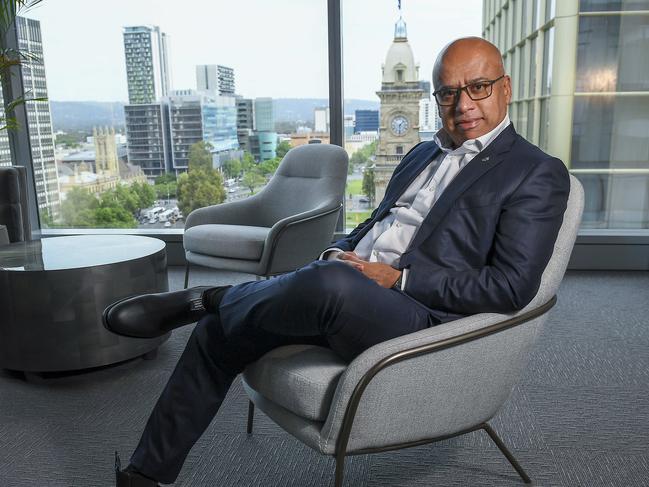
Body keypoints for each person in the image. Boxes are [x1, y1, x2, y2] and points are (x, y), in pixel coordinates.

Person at [105, 37, 570, 486]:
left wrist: (400, 278)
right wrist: (339, 253)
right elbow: (376, 226)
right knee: (218, 333)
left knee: (328, 283)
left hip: (421, 314)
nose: (463, 104)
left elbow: (512, 286)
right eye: (449, 92)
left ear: (505, 88)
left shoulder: (535, 171)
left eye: (478, 87)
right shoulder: (423, 153)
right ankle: (146, 473)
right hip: (348, 288)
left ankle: (206, 298)